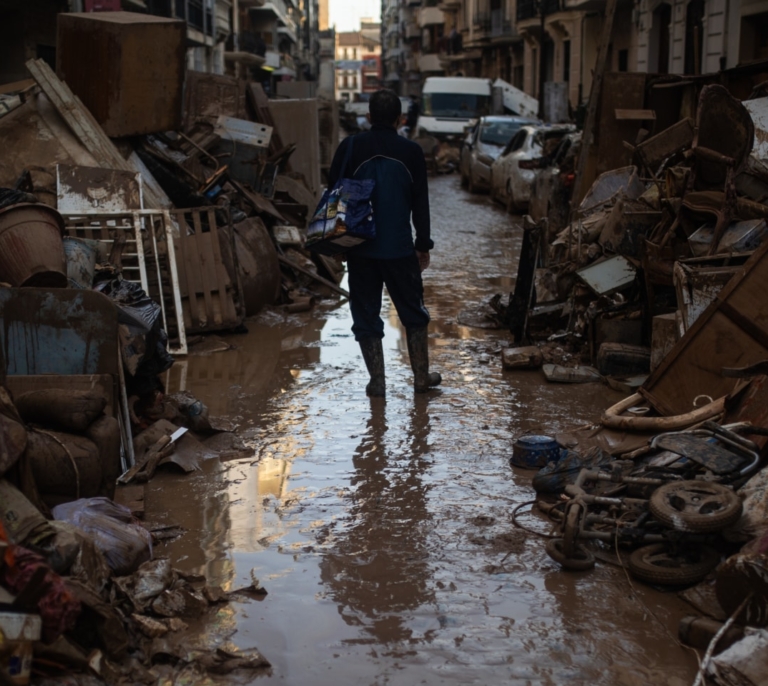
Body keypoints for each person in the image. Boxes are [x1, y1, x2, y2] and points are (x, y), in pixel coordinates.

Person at [327, 88, 441, 397]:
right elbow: (421, 201)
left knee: (365, 313)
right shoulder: (411, 151)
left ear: (368, 117)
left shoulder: (350, 146)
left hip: (360, 248)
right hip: (400, 249)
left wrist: (339, 245)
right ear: (400, 119)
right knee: (413, 312)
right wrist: (424, 244)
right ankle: (421, 377)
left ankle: (377, 381)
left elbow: (335, 197)